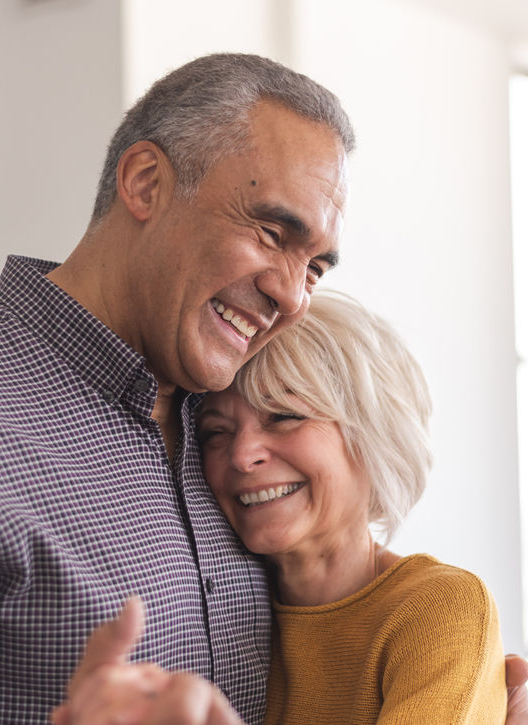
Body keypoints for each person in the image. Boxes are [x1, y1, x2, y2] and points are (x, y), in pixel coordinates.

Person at [0, 53, 528, 724]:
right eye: (272, 233)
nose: (292, 295)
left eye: (316, 266)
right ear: (144, 182)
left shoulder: (214, 408)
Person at [198, 290, 505, 723]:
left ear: (374, 434)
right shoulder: (215, 610)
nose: (242, 456)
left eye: (283, 415)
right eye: (216, 432)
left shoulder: (439, 607)